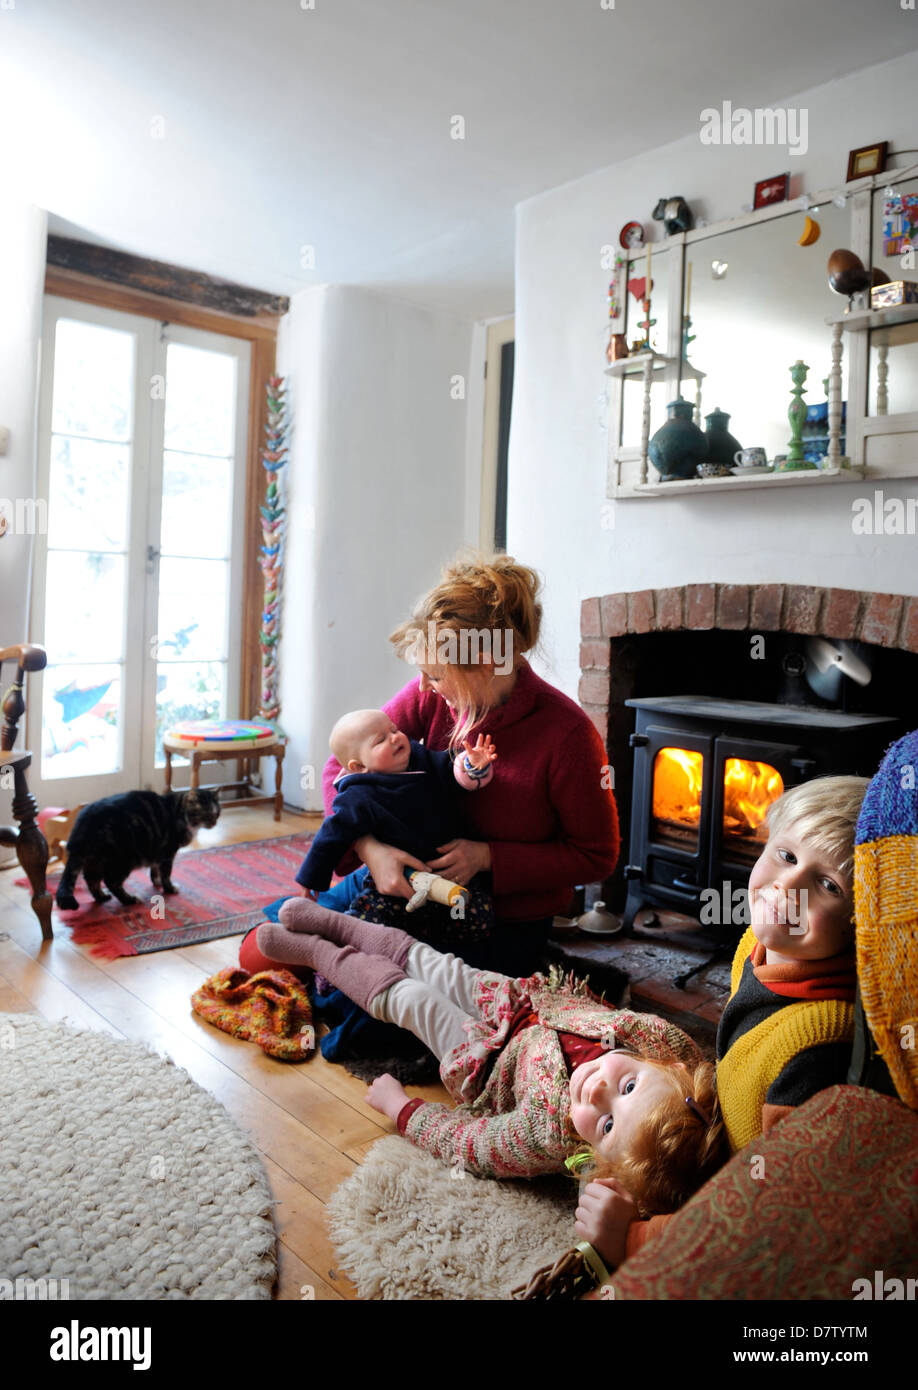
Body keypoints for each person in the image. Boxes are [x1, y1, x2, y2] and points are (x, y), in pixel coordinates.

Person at [255, 894, 726, 1219]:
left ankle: (318, 954)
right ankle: (335, 924)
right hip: (525, 1001)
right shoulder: (663, 1048)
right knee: (435, 964)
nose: (599, 1089)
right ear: (669, 1066)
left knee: (413, 999)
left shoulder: (545, 1136)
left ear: (593, 1161)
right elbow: (694, 1062)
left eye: (605, 1124)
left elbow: (471, 1144)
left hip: (482, 1058)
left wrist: (402, 1109)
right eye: (628, 1087)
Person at [318, 552, 621, 976]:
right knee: (271, 942)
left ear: (482, 665)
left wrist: (487, 857)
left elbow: (597, 856)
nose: (423, 684)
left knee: (369, 997)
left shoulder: (568, 736)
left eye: (436, 673)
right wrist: (372, 851)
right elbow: (341, 768)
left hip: (494, 919)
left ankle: (556, 971)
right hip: (401, 885)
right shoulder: (432, 695)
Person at [611, 772, 870, 1266]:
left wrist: (636, 1240)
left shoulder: (818, 1051)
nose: (788, 887)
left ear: (858, 924)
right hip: (718, 1144)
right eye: (787, 856)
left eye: (828, 884)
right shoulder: (758, 946)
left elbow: (774, 1215)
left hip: (737, 1206)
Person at [293, 709, 496, 897]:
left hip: (452, 872)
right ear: (359, 766)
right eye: (381, 740)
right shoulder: (358, 796)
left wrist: (472, 765)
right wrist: (311, 877)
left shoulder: (420, 757)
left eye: (394, 729)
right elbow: (331, 835)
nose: (395, 737)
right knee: (374, 918)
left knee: (474, 919)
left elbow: (450, 769)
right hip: (400, 878)